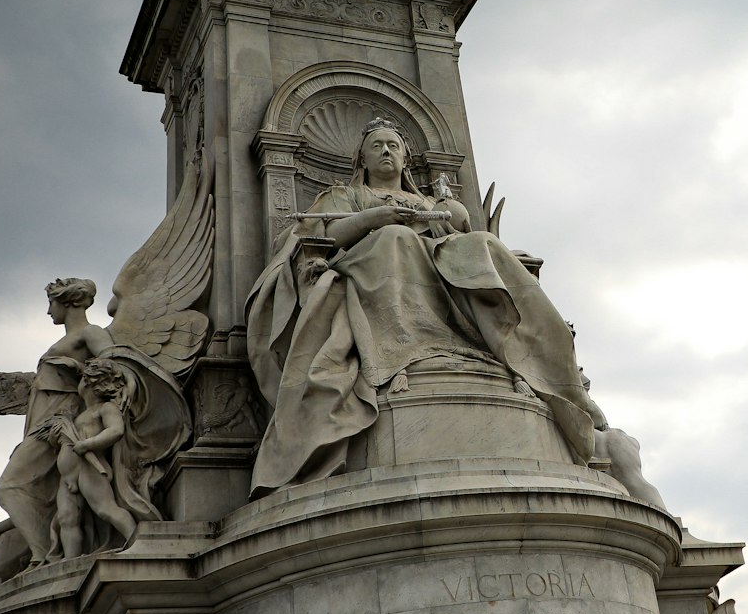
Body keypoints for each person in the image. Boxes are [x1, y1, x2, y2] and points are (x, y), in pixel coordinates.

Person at [246, 118, 601, 495]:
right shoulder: (347, 196)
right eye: (377, 145)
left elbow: (457, 236)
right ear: (362, 160)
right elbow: (324, 235)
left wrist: (454, 221)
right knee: (396, 239)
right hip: (371, 259)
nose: (386, 151)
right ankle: (405, 356)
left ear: (405, 159)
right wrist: (374, 219)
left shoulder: (429, 201)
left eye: (394, 145)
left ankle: (550, 374)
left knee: (486, 246)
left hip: (436, 262)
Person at [0, 277, 114, 565]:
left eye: (51, 303)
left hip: (61, 423)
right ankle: (43, 551)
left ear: (67, 301)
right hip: (43, 423)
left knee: (8, 486)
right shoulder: (64, 341)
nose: (49, 311)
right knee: (27, 489)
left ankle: (42, 555)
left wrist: (76, 368)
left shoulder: (91, 333)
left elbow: (115, 366)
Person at [43, 359, 139, 559]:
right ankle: (70, 561)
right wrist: (56, 438)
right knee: (67, 518)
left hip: (90, 469)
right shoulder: (78, 416)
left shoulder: (104, 409)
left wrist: (88, 444)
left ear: (89, 384)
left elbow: (116, 430)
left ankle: (136, 544)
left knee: (106, 510)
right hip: (68, 476)